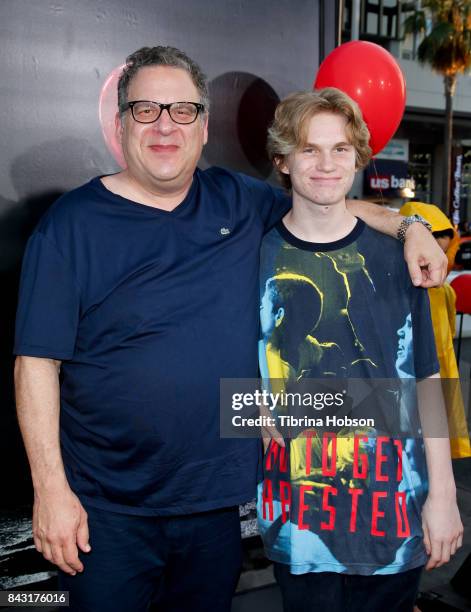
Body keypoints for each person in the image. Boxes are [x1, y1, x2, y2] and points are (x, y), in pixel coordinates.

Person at [14, 46, 447, 612]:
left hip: (215, 510)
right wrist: (51, 493)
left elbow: (327, 201)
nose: (166, 125)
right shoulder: (70, 226)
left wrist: (410, 224)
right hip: (106, 513)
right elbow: (35, 364)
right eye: (146, 110)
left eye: (183, 110)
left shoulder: (238, 200)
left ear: (203, 124)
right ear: (121, 123)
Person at [257, 88, 463, 612]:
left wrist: (444, 495)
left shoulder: (399, 259)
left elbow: (427, 382)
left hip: (394, 515)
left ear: (358, 159)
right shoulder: (254, 255)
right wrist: (256, 412)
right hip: (300, 519)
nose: (327, 164)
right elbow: (240, 386)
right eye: (309, 149)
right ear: (283, 160)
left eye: (341, 149)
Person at [400, 201, 471, 459]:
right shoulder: (396, 288)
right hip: (408, 369)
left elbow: (449, 333)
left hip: (440, 367)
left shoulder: (446, 292)